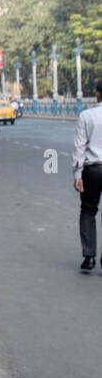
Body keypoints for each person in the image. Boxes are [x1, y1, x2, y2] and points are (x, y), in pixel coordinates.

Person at [73, 83, 102, 271]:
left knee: (88, 211)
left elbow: (80, 146)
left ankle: (89, 256)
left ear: (98, 94)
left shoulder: (87, 115)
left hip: (93, 170)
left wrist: (77, 173)